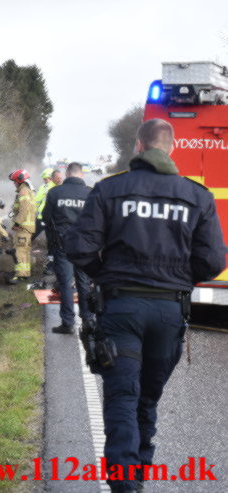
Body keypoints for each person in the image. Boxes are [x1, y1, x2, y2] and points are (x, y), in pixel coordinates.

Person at [65, 119, 225, 493]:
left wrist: (107, 276)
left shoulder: (109, 190)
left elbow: (79, 248)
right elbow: (214, 259)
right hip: (170, 313)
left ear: (138, 146)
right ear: (171, 149)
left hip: (121, 309)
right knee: (147, 400)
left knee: (122, 396)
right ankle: (137, 475)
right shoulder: (197, 196)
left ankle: (125, 485)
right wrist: (180, 280)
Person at [42, 162, 92, 334]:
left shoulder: (55, 192)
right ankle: (88, 321)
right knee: (84, 282)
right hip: (85, 246)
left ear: (66, 174)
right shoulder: (90, 194)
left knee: (65, 284)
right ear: (81, 175)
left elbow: (46, 218)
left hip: (63, 245)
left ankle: (68, 323)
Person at [8, 169, 36, 284]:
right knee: (25, 250)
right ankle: (25, 274)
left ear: (19, 181)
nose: (14, 183)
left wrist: (17, 223)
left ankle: (20, 275)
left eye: (14, 181)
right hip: (28, 227)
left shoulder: (23, 191)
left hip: (23, 227)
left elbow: (23, 210)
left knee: (20, 251)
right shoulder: (28, 191)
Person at [33, 168, 57, 241]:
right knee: (53, 238)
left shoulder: (45, 187)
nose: (44, 181)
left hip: (42, 217)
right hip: (51, 218)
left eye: (45, 179)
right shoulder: (58, 186)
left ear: (51, 178)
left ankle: (18, 249)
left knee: (31, 235)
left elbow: (36, 200)